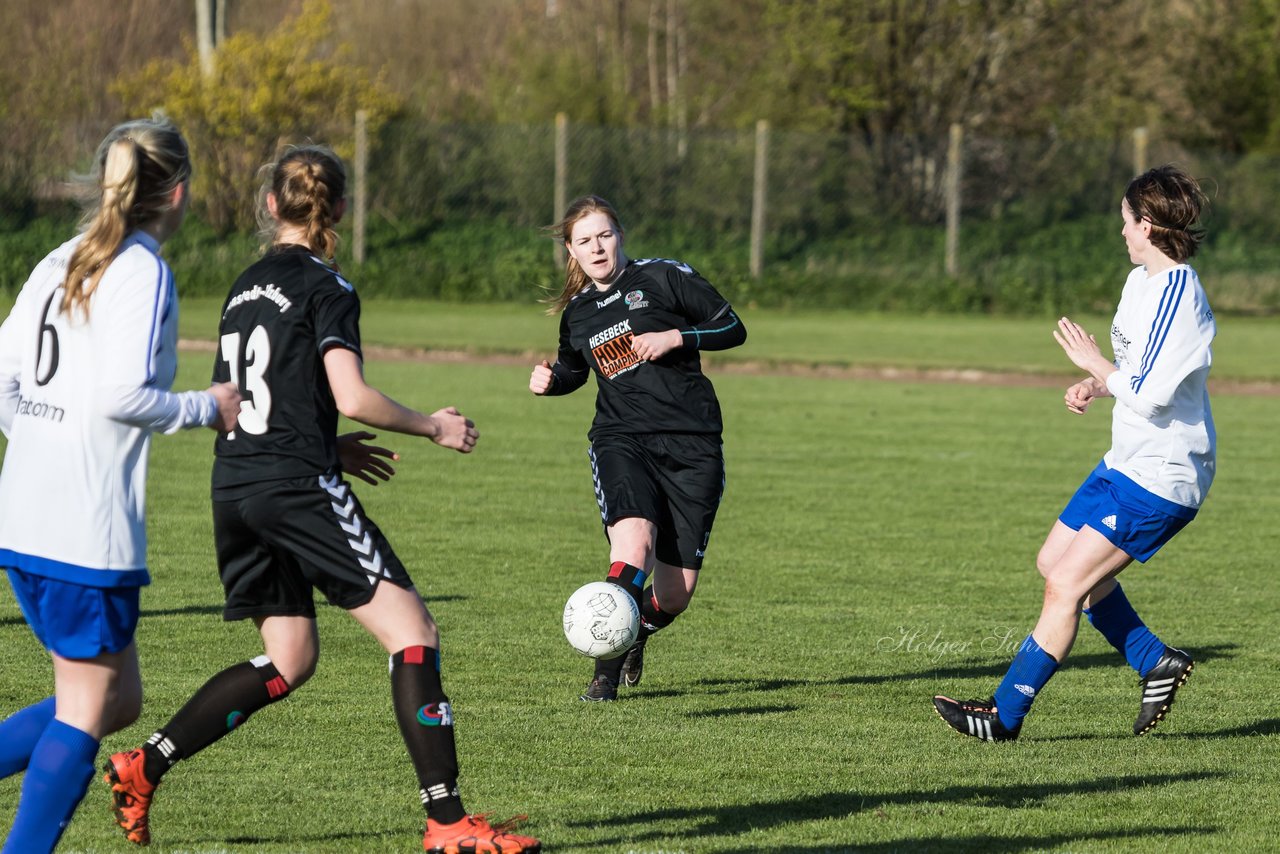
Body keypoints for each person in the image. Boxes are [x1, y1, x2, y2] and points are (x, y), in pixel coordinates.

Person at [103, 146, 540, 854]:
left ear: (272, 205)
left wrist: (326, 446)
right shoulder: (326, 284)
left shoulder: (244, 286)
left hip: (236, 483)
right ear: (338, 209)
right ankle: (448, 824)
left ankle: (142, 766)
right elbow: (354, 397)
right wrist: (435, 425)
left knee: (289, 656)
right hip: (293, 488)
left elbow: (254, 401)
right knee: (413, 634)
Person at [0, 117, 241, 853]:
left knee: (118, 699)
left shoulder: (60, 257)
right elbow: (120, 395)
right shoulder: (139, 267)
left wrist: (37, 439)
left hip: (24, 517)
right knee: (84, 707)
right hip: (83, 528)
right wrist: (209, 408)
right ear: (177, 190)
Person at [933, 165, 1215, 741]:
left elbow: (1156, 397)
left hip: (1164, 475)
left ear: (1149, 224)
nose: (1122, 231)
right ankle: (1153, 660)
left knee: (1067, 586)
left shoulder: (1178, 295)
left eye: (1126, 220)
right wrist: (1098, 384)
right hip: (1126, 461)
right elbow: (1134, 376)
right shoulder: (1140, 283)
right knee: (1052, 564)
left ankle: (1003, 716)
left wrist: (1096, 366)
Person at [529, 195, 746, 702]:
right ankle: (602, 681)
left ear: (620, 236)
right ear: (571, 251)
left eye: (605, 235)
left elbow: (732, 328)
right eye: (585, 241)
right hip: (621, 440)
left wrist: (678, 337)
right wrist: (551, 380)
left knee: (674, 595)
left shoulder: (665, 277)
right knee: (633, 548)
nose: (597, 247)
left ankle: (636, 633)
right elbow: (573, 371)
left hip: (693, 445)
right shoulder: (578, 313)